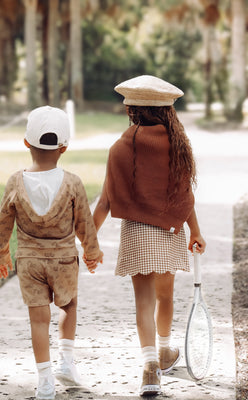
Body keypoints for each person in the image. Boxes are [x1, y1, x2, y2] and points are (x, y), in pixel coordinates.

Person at [92, 75, 206, 396]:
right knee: (165, 297)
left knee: (143, 302)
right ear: (169, 112)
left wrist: (87, 239)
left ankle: (150, 368)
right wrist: (194, 231)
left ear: (130, 110)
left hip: (137, 235)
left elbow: (104, 201)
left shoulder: (121, 147)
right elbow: (185, 197)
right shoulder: (178, 147)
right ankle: (166, 351)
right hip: (169, 232)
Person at [0, 106, 103, 400]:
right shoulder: (72, 182)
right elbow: (84, 223)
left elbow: (3, 222)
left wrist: (0, 253)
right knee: (69, 306)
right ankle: (66, 362)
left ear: (26, 143)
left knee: (38, 320)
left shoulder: (15, 181)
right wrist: (91, 252)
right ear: (64, 147)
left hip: (29, 261)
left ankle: (45, 380)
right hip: (64, 259)